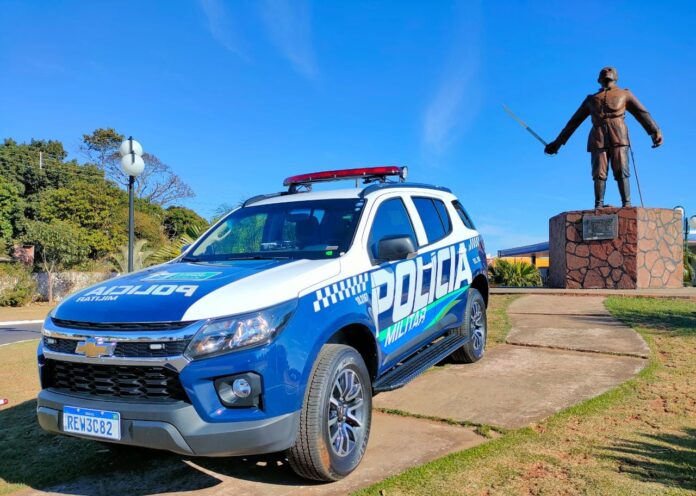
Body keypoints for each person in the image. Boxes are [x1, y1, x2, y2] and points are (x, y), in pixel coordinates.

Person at [544, 67, 662, 208]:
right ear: (598, 80)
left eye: (610, 70)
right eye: (603, 71)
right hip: (598, 138)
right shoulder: (591, 99)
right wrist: (558, 143)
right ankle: (598, 205)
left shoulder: (625, 94)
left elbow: (642, 113)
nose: (607, 71)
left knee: (622, 169)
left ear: (616, 77)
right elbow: (574, 122)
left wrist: (654, 131)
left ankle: (626, 204)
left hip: (619, 136)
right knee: (598, 172)